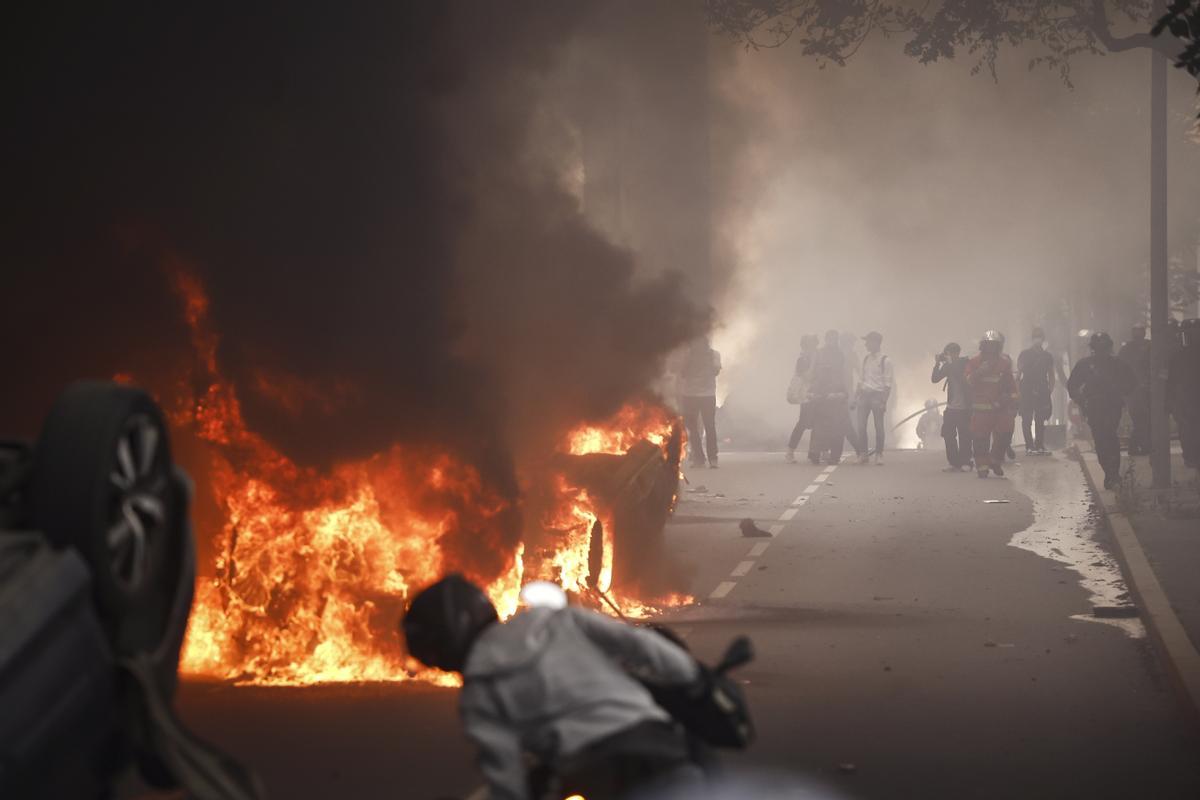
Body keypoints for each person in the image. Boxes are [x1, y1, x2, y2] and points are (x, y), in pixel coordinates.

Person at [402, 575, 703, 800]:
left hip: (593, 773)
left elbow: (508, 784)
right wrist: (695, 678)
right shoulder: (555, 620)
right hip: (661, 745)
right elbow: (640, 644)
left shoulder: (479, 695)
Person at [1067, 332, 1137, 490]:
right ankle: (1109, 472)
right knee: (1100, 440)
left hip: (1112, 405)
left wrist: (1121, 394)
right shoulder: (1084, 365)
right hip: (1093, 407)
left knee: (1110, 436)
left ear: (1108, 348)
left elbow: (1131, 382)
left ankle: (1113, 474)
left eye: (1103, 348)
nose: (1101, 351)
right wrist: (1081, 399)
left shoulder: (1117, 364)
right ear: (1093, 349)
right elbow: (1072, 385)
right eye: (1098, 348)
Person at [965, 330, 1019, 479]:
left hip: (1000, 408)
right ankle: (982, 467)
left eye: (994, 346)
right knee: (980, 439)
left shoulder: (1004, 363)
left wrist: (1011, 400)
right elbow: (968, 381)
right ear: (983, 346)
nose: (991, 350)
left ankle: (995, 460)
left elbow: (1012, 386)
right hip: (981, 409)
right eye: (988, 346)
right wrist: (979, 373)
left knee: (1005, 434)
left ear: (998, 347)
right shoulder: (974, 362)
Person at [807, 329, 849, 466]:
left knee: (837, 426)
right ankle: (814, 453)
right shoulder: (819, 353)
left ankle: (835, 456)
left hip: (835, 389)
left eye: (835, 339)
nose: (833, 342)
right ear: (826, 339)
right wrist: (811, 390)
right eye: (830, 339)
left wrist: (842, 393)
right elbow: (812, 372)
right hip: (820, 389)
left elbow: (843, 374)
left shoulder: (840, 354)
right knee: (818, 425)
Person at [680, 338, 721, 469]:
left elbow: (682, 373)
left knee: (693, 428)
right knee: (709, 426)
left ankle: (700, 458)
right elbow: (716, 371)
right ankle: (712, 458)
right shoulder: (714, 354)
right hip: (707, 395)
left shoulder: (687, 354)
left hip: (691, 395)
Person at [932, 342, 972, 472]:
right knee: (948, 435)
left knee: (964, 435)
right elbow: (935, 379)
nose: (948, 356)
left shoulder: (965, 363)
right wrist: (937, 364)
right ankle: (953, 462)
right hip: (951, 408)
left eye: (949, 353)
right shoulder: (949, 366)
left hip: (964, 407)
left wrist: (950, 363)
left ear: (956, 353)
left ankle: (966, 461)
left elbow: (961, 377)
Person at [855, 331, 893, 465]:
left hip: (877, 395)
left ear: (876, 343)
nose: (866, 344)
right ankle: (863, 454)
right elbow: (861, 380)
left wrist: (884, 401)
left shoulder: (885, 361)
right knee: (860, 426)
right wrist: (856, 397)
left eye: (868, 342)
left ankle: (879, 453)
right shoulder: (866, 359)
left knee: (879, 426)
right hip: (864, 395)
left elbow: (888, 384)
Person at [1017, 327, 1056, 455]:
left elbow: (1051, 374)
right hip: (1026, 389)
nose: (1037, 339)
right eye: (1035, 336)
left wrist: (1049, 389)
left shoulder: (1047, 356)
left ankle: (1039, 445)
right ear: (1032, 339)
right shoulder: (1024, 354)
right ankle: (1029, 446)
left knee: (1040, 418)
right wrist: (1017, 391)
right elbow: (1019, 373)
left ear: (1043, 339)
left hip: (1042, 390)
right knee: (1027, 419)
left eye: (1039, 336)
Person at [1167, 318, 1199, 470]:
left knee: (1188, 428)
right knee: (1187, 428)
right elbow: (1169, 380)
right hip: (1185, 399)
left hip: (1185, 399)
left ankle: (1191, 457)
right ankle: (1191, 457)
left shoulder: (1177, 355)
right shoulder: (1177, 355)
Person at [1117, 324, 1152, 455]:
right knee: (1140, 419)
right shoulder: (1126, 349)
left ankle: (1142, 445)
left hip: (1147, 389)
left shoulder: (1150, 346)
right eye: (1136, 331)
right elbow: (1120, 370)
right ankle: (1138, 445)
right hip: (1134, 391)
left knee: (1147, 420)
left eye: (1140, 331)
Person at [785, 334, 819, 463]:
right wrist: (815, 361)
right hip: (805, 396)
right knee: (803, 423)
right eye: (812, 344)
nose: (815, 347)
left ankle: (814, 452)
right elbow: (808, 376)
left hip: (813, 394)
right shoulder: (803, 359)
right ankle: (790, 451)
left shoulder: (810, 358)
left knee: (814, 423)